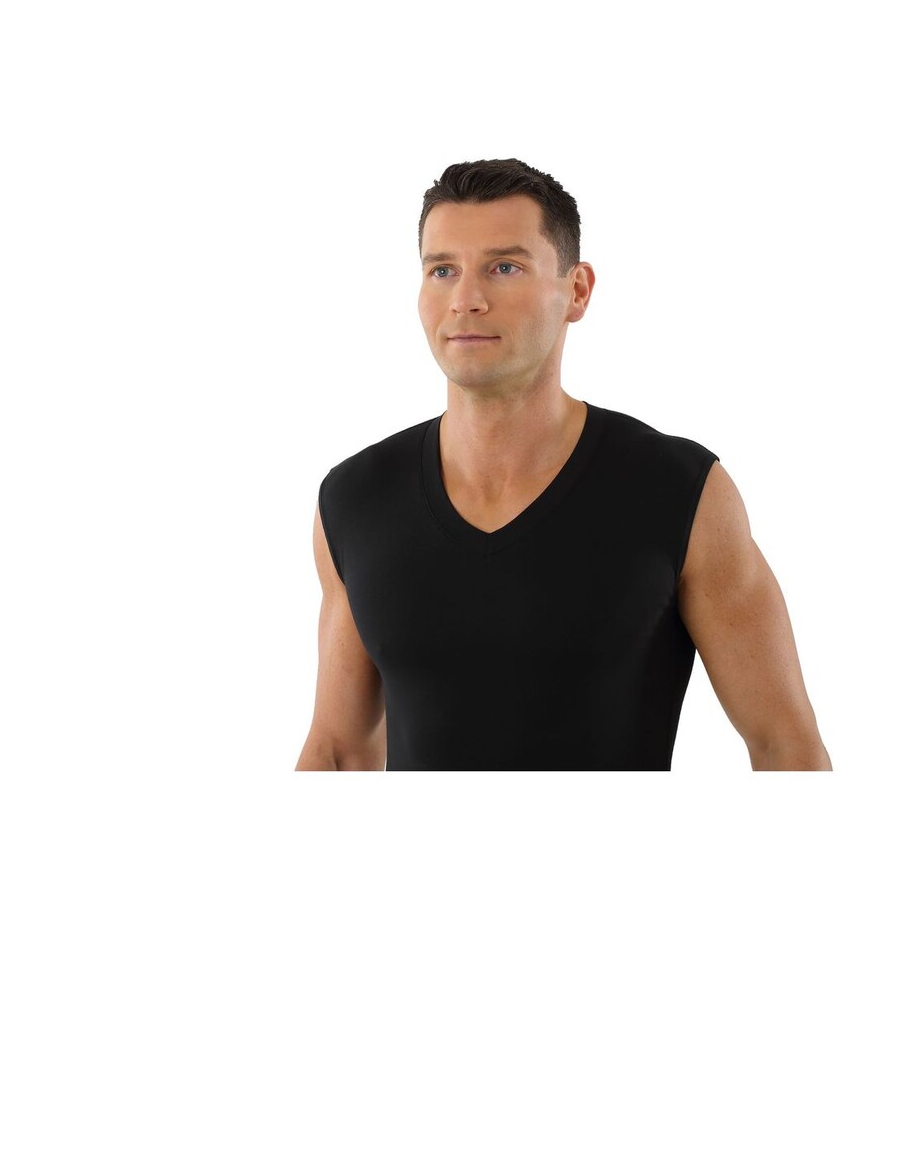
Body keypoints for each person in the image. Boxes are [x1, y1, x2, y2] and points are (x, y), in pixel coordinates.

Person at [295, 158, 832, 772]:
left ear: (576, 291)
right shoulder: (356, 498)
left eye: (504, 267)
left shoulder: (677, 491)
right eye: (442, 270)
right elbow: (337, 752)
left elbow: (786, 747)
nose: (466, 300)